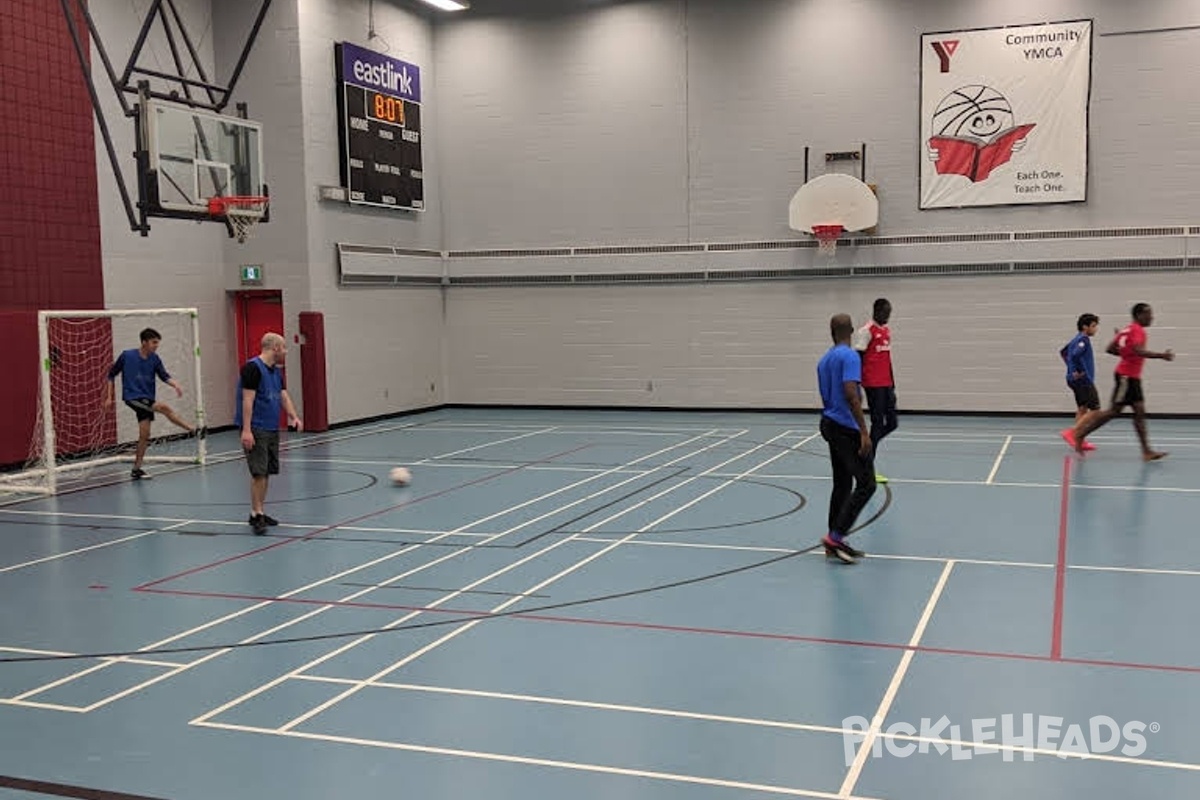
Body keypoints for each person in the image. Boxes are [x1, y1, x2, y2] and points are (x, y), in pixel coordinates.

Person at [1072, 303, 1172, 460]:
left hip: (1132, 377)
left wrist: (1125, 353)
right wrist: (1161, 356)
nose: (1151, 317)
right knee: (1112, 412)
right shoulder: (1137, 330)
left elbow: (1111, 348)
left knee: (1139, 413)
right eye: (1148, 314)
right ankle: (1079, 434)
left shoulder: (1127, 329)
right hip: (1126, 377)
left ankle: (1146, 452)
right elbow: (1138, 350)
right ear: (1139, 315)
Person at [818, 313, 877, 564]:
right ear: (851, 330)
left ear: (831, 331)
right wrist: (864, 431)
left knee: (842, 484)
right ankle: (836, 536)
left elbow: (826, 395)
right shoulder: (851, 356)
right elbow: (851, 393)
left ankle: (835, 540)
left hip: (829, 424)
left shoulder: (823, 360)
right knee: (867, 484)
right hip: (845, 427)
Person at [103, 327, 195, 479]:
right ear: (144, 342)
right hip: (132, 397)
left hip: (146, 398)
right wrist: (108, 397)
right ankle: (193, 429)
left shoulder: (155, 358)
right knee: (163, 407)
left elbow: (164, 376)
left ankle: (136, 469)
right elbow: (111, 375)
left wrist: (175, 384)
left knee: (144, 435)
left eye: (157, 343)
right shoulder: (127, 356)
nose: (156, 346)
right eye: (154, 342)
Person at [236, 332, 302, 534]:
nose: (285, 351)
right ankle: (256, 515)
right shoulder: (252, 368)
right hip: (256, 427)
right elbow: (247, 401)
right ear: (274, 348)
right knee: (259, 473)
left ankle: (259, 511)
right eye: (283, 347)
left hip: (271, 427)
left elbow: (283, 396)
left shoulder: (275, 371)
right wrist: (247, 430)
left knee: (266, 473)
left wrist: (293, 416)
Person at [852, 298, 897, 483]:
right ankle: (867, 468)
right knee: (877, 424)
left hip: (886, 384)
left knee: (892, 423)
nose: (888, 316)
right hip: (873, 385)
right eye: (886, 312)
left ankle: (866, 448)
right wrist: (856, 385)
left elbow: (887, 359)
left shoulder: (886, 331)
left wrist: (892, 384)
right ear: (877, 311)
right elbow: (858, 358)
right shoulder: (866, 331)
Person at [1059, 313, 1101, 452]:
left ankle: (1078, 441)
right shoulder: (1083, 339)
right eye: (1094, 326)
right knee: (1095, 410)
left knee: (1082, 408)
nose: (1096, 329)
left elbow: (1064, 352)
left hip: (1074, 380)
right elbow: (1076, 354)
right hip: (1083, 380)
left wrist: (1071, 369)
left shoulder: (1074, 340)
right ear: (1085, 327)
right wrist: (1078, 370)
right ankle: (1073, 432)